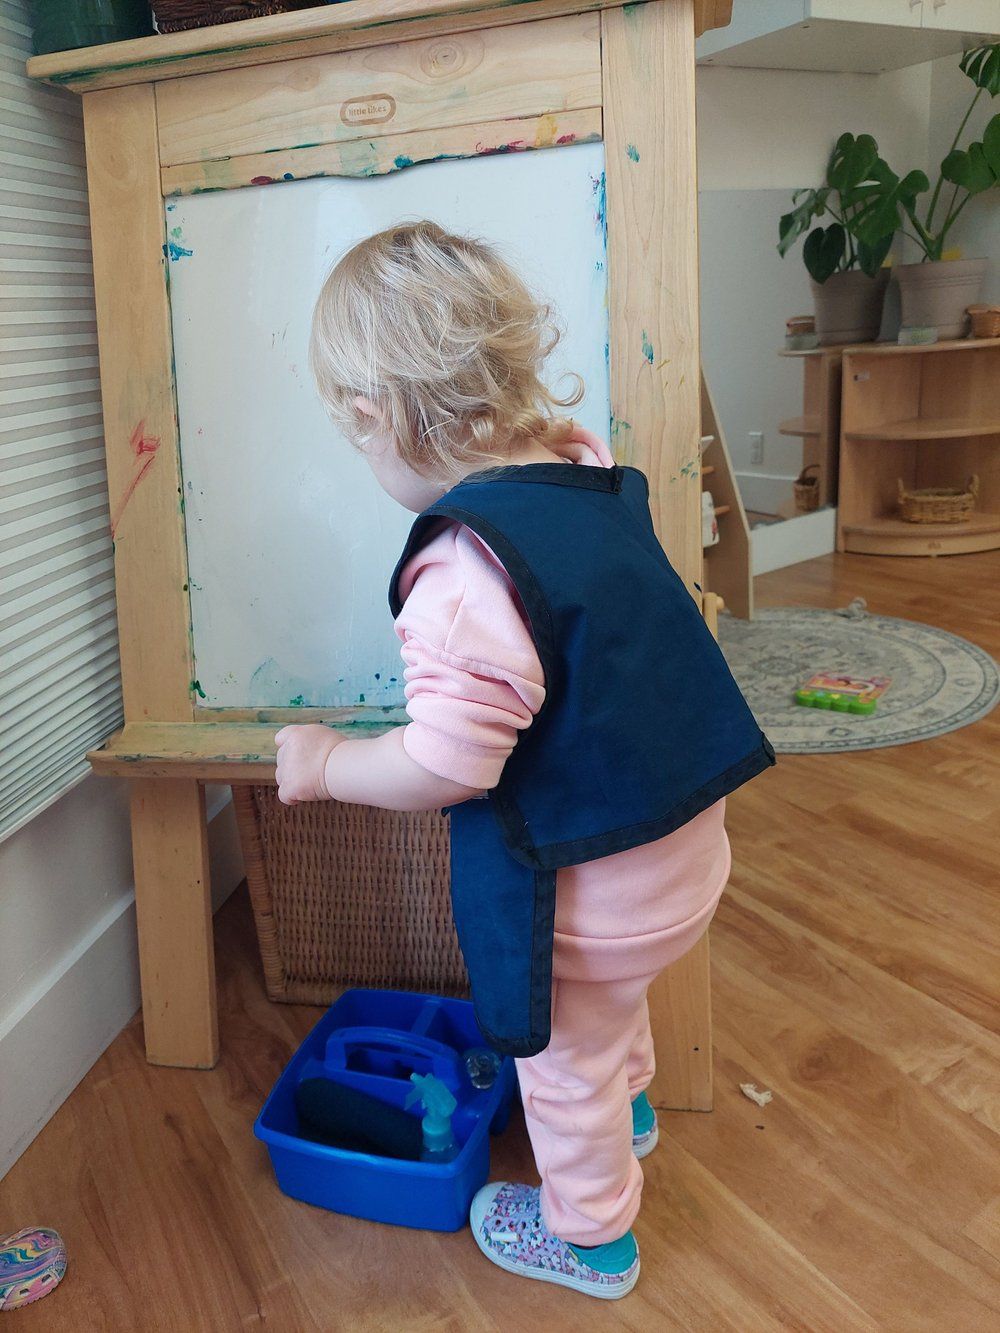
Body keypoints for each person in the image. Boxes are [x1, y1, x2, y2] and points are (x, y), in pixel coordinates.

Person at [275, 221, 774, 1299]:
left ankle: (591, 1237)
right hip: (679, 851)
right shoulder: (582, 473)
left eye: (357, 438)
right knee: (613, 1008)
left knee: (561, 1063)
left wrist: (324, 763)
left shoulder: (463, 570)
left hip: (593, 895)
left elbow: (447, 763)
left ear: (372, 415)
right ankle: (632, 1110)